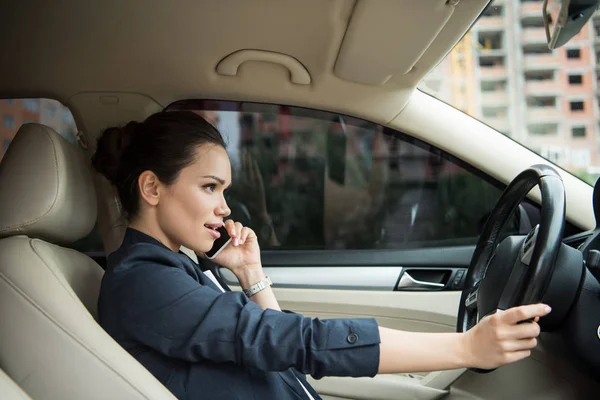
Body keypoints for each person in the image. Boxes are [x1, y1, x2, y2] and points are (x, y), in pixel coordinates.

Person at [92, 110, 551, 400]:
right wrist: (466, 347)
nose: (225, 207)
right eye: (209, 187)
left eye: (224, 190)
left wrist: (251, 275)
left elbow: (276, 352)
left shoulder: (180, 269)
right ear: (152, 187)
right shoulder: (142, 283)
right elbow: (294, 341)